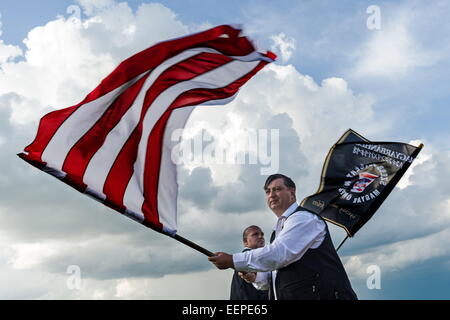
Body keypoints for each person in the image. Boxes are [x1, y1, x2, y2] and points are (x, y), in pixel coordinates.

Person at [208, 173, 358, 300]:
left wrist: (232, 260)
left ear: (292, 193)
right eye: (268, 191)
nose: (272, 195)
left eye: (277, 189)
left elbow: (279, 254)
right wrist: (256, 278)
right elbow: (276, 277)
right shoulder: (279, 230)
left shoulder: (303, 219)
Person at [230, 225, 269, 300]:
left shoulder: (250, 258)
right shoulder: (250, 258)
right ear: (245, 242)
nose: (261, 236)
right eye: (255, 234)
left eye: (262, 234)